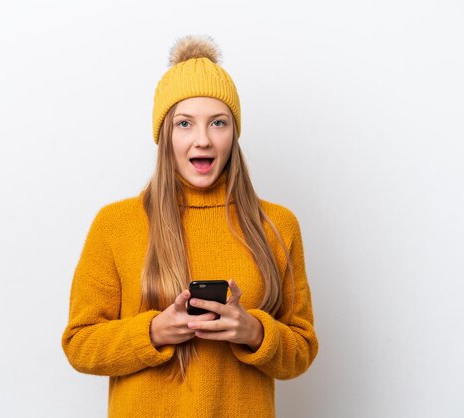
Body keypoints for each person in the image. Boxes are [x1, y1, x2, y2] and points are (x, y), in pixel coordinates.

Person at [61, 35, 318, 418]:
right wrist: (152, 333)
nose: (203, 140)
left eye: (218, 123)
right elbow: (79, 344)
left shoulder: (277, 225)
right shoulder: (116, 224)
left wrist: (254, 332)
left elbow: (302, 350)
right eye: (185, 124)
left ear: (234, 133)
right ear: (165, 135)